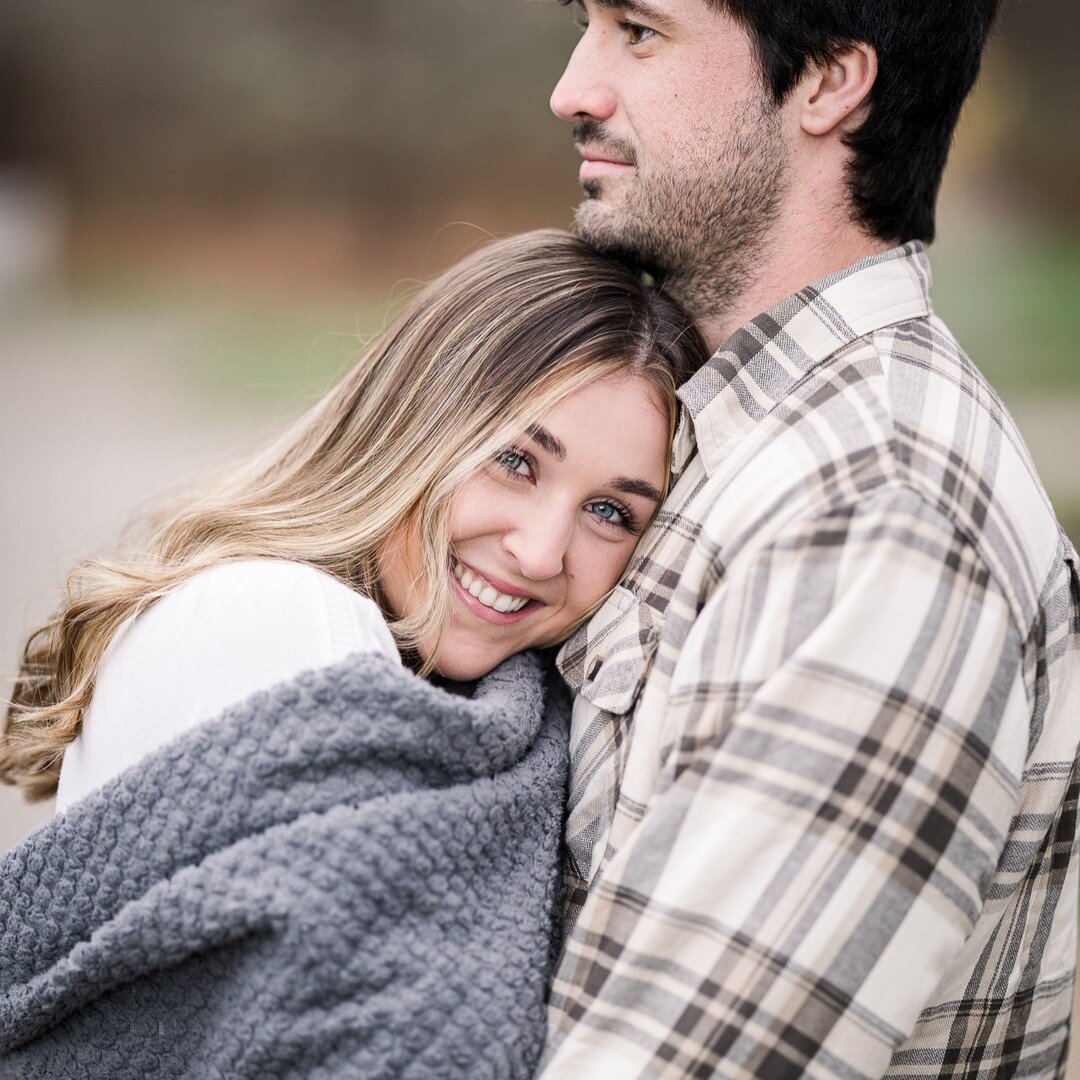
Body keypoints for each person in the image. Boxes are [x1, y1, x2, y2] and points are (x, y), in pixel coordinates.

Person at [0, 229, 707, 1078]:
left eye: (610, 513)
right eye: (516, 460)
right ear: (411, 424)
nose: (541, 551)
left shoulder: (446, 684)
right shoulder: (284, 621)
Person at [539, 2, 1080, 1077]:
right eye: (586, 23)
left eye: (638, 31)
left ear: (830, 83)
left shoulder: (884, 512)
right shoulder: (724, 436)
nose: (573, 90)